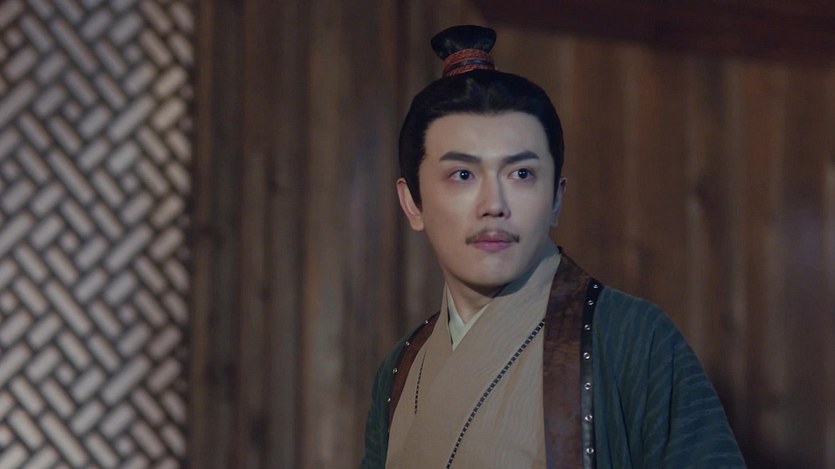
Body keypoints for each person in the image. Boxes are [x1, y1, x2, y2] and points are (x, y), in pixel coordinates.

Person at [360, 25, 744, 468]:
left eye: (521, 174)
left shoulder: (633, 338)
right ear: (412, 202)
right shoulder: (402, 367)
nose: (494, 205)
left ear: (556, 198)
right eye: (462, 175)